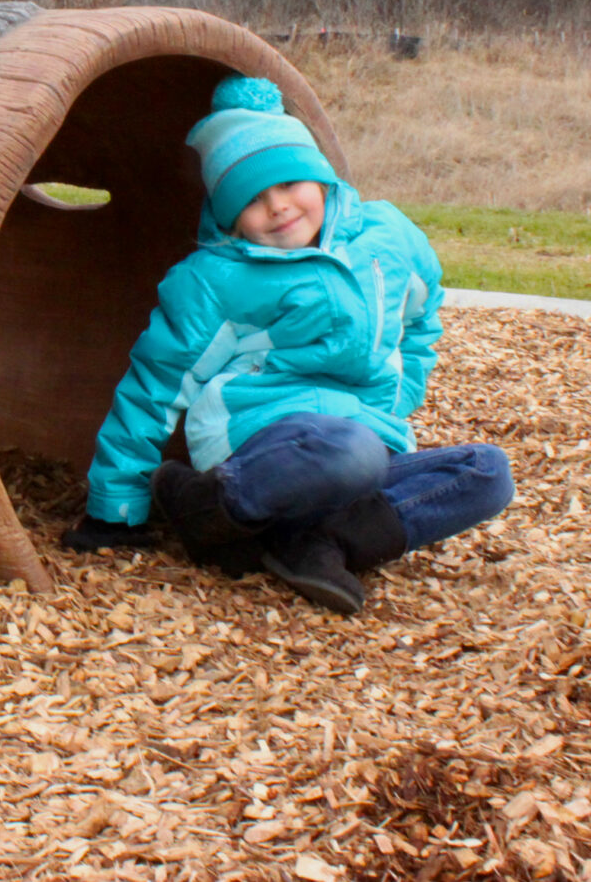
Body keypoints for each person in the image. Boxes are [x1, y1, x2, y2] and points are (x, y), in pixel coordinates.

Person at [60, 75, 514, 614]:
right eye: (251, 199)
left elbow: (419, 320)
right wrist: (114, 505)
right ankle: (207, 505)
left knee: (487, 473)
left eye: (290, 183)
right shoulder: (218, 278)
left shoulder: (389, 240)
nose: (277, 206)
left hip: (366, 438)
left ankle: (314, 542)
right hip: (266, 439)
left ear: (320, 176)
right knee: (348, 454)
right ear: (229, 217)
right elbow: (154, 386)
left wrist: (398, 400)